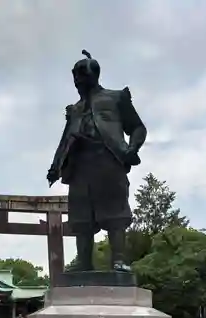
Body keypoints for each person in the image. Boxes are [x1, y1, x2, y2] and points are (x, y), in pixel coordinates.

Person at [47, 50, 147, 272]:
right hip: (79, 165)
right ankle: (84, 263)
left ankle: (119, 260)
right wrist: (55, 167)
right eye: (74, 76)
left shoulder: (115, 97)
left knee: (115, 212)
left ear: (95, 74)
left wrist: (132, 148)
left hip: (108, 160)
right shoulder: (75, 109)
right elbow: (65, 140)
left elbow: (138, 127)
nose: (77, 81)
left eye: (81, 75)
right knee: (81, 217)